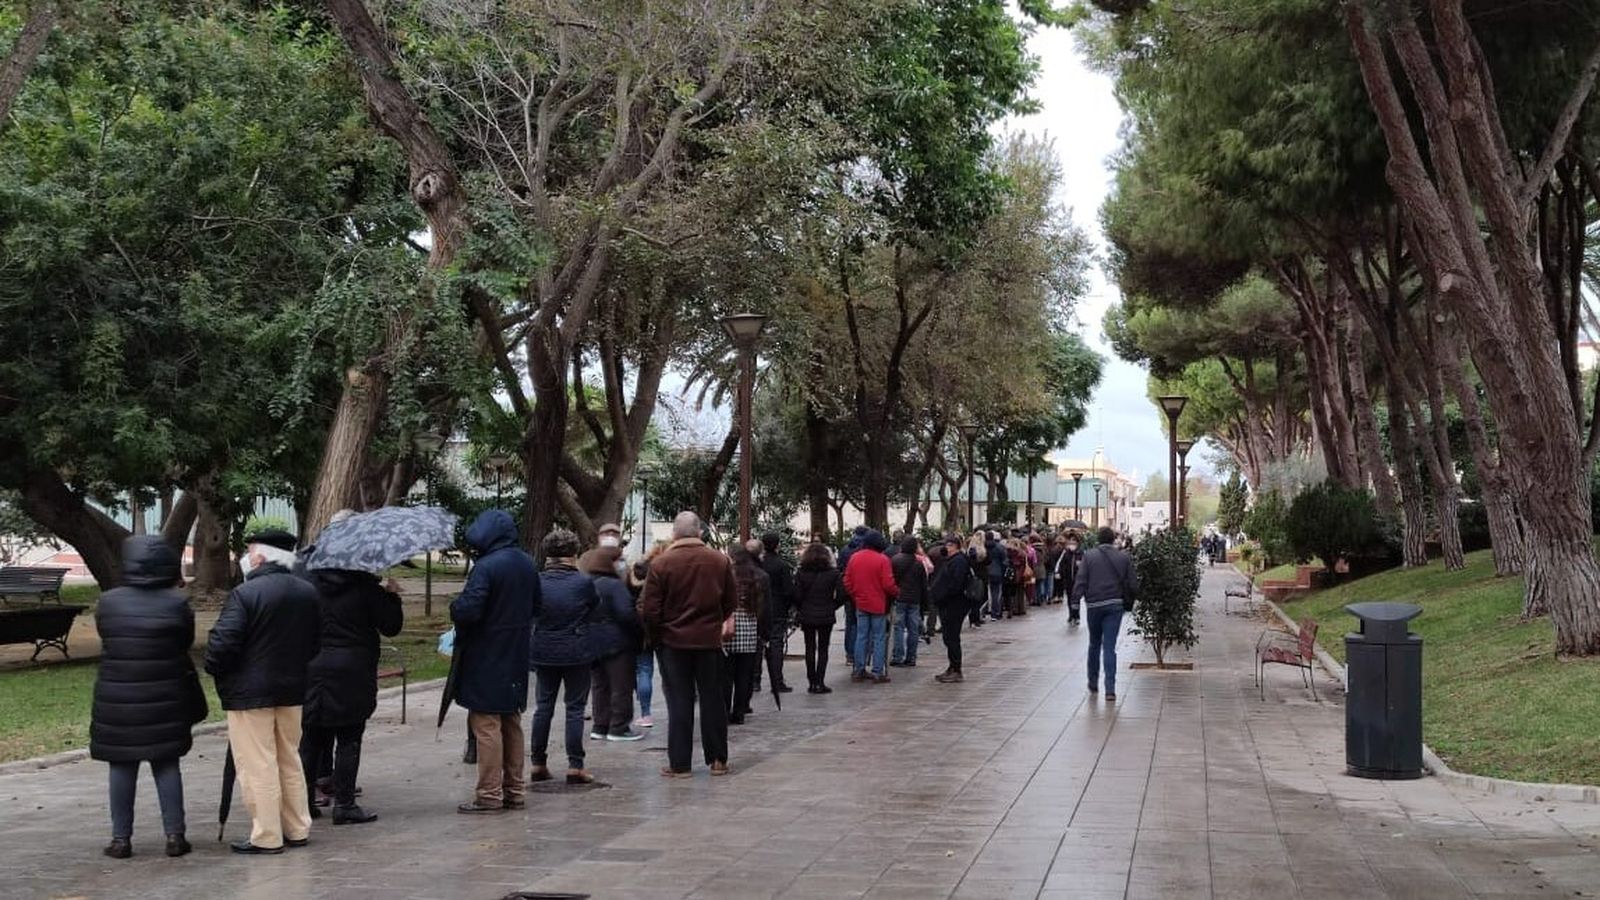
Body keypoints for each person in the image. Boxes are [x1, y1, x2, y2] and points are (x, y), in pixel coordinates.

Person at [204, 528, 321, 854]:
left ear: (259, 556)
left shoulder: (246, 594)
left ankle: (267, 835)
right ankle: (297, 828)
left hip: (249, 692)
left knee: (258, 763)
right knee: (289, 758)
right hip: (292, 688)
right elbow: (315, 644)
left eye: (250, 550)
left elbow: (222, 644)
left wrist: (216, 667)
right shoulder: (307, 592)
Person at [92, 536, 204, 860]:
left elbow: (106, 636)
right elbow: (184, 642)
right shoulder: (177, 604)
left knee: (121, 766)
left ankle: (120, 839)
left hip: (117, 696)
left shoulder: (109, 602)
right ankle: (175, 835)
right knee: (167, 763)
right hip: (166, 694)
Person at [298, 565, 402, 826]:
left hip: (312, 667)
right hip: (353, 670)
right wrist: (392, 596)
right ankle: (344, 804)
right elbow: (391, 626)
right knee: (349, 738)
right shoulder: (366, 588)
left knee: (311, 738)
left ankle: (303, 803)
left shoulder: (308, 586)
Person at [639, 512, 739, 777]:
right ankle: (718, 760)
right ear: (700, 533)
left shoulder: (661, 564)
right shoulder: (720, 561)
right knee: (713, 700)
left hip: (673, 643)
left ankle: (680, 764)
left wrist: (658, 636)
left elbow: (650, 610)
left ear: (674, 533)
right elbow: (731, 601)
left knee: (679, 702)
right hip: (709, 641)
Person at [450, 509, 536, 814]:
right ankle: (515, 789)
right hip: (515, 652)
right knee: (511, 722)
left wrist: (455, 606)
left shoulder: (486, 567)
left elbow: (469, 610)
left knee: (486, 725)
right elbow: (537, 604)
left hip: (486, 655)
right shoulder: (526, 563)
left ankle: (489, 793)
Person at [528, 529, 601, 785]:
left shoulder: (537, 581)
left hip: (543, 648)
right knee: (575, 708)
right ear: (574, 553)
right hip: (576, 649)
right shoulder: (583, 582)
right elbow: (594, 608)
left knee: (543, 706)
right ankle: (575, 765)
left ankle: (537, 762)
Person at [584, 536, 644, 743]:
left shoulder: (587, 583)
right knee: (621, 685)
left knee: (600, 685)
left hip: (593, 642)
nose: (622, 563)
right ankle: (619, 726)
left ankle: (600, 725)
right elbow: (626, 614)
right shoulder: (613, 585)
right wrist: (639, 631)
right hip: (617, 642)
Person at [1072, 526, 1140, 702]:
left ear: (1098, 539)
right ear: (1113, 540)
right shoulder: (1123, 557)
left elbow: (1081, 580)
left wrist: (1075, 603)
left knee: (1094, 644)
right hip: (1114, 605)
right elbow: (1133, 584)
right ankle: (1110, 689)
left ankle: (1093, 682)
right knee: (1109, 647)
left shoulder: (1089, 556)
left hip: (1094, 605)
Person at [842, 529, 897, 683]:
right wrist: (897, 592)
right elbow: (888, 584)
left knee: (861, 636)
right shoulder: (883, 560)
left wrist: (855, 595)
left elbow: (847, 581)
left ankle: (859, 669)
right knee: (878, 637)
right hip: (878, 604)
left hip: (860, 602)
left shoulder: (854, 558)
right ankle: (878, 671)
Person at [723, 545, 766, 725]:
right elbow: (760, 605)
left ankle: (724, 710)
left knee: (726, 676)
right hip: (749, 630)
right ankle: (739, 711)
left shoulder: (727, 575)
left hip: (730, 628)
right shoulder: (755, 577)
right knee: (744, 675)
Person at [793, 541, 844, 693]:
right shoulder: (834, 574)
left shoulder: (801, 573)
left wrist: (801, 606)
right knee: (823, 648)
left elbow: (796, 595)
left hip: (807, 613)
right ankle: (820, 681)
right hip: (826, 614)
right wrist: (832, 605)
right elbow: (842, 594)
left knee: (809, 647)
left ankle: (811, 681)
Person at [629, 542, 668, 729]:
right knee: (657, 671)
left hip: (639, 631)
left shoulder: (634, 575)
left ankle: (644, 712)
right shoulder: (661, 575)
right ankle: (653, 713)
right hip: (658, 631)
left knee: (642, 670)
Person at [756, 532, 796, 694]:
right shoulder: (782, 566)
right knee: (776, 644)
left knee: (758, 644)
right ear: (778, 545)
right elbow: (788, 591)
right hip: (778, 609)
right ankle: (777, 681)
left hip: (759, 608)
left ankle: (755, 680)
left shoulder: (758, 565)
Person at [930, 535, 972, 683]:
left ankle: (956, 669)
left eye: (949, 545)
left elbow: (956, 584)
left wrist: (943, 595)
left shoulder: (959, 561)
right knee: (948, 637)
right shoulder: (950, 560)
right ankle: (952, 667)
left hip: (954, 604)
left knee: (952, 637)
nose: (946, 548)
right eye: (945, 545)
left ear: (956, 546)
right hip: (947, 603)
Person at [888, 536, 926, 668]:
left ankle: (897, 656)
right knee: (913, 629)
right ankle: (911, 657)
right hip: (914, 599)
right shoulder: (918, 563)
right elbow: (923, 584)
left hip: (899, 598)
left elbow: (891, 579)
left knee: (898, 628)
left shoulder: (895, 560)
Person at [836, 526, 869, 669]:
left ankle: (849, 654)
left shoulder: (845, 549)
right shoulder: (865, 549)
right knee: (861, 623)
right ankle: (860, 654)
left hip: (848, 590)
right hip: (862, 590)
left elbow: (840, 568)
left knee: (850, 622)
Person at [1058, 532, 1084, 625]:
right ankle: (1071, 615)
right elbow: (1061, 564)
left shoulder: (1081, 553)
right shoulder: (1066, 553)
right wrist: (1060, 573)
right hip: (1068, 580)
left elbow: (1084, 566)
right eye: (1070, 541)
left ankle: (1076, 616)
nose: (1072, 543)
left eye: (1074, 541)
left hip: (1078, 580)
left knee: (1076, 599)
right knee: (1069, 599)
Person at [984, 530, 1006, 621]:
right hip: (997, 572)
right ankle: (995, 612)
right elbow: (1004, 561)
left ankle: (985, 612)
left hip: (986, 572)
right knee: (996, 593)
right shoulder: (999, 547)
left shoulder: (983, 547)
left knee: (985, 593)